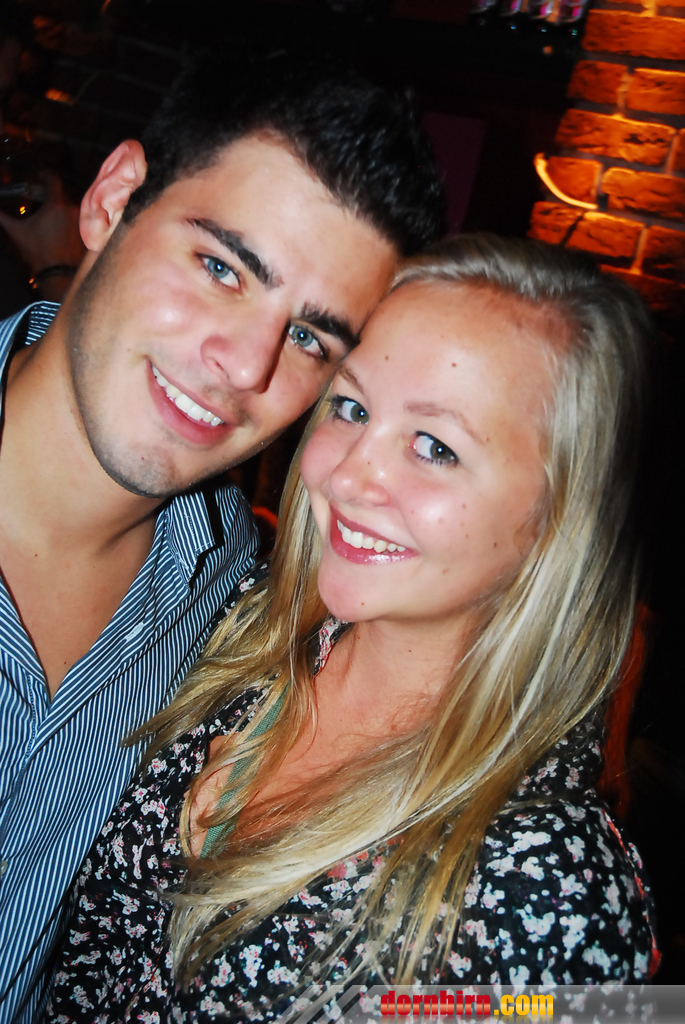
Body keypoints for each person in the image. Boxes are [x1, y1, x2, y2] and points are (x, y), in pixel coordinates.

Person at [45, 235, 657, 1023]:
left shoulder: (557, 893)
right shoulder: (234, 629)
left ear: (558, 517)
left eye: (434, 447)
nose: (345, 474)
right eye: (352, 408)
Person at [0, 45, 445, 1023]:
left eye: (310, 338)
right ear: (112, 200)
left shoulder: (234, 607)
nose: (244, 366)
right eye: (220, 268)